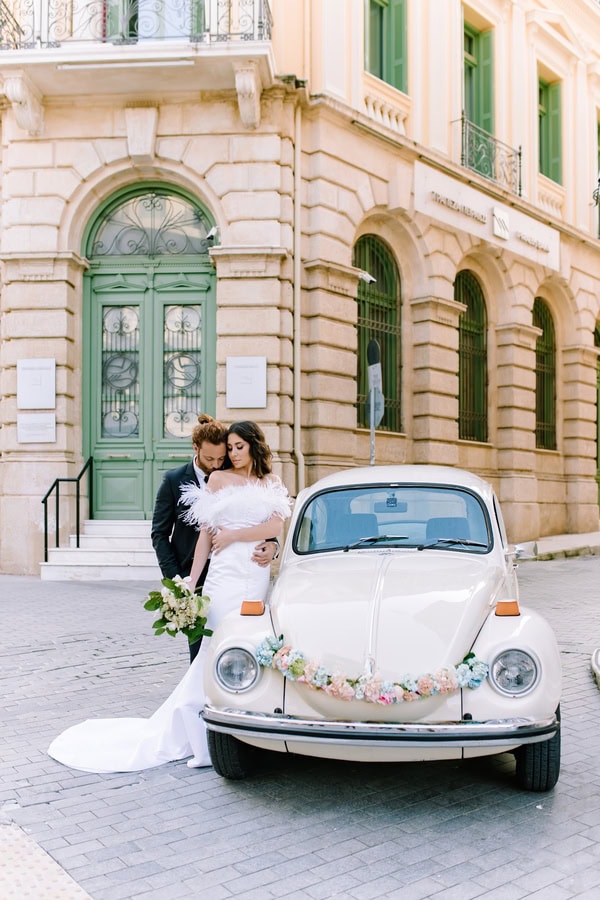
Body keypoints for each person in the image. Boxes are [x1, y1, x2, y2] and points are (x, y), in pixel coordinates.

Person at [47, 421, 292, 774]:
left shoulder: (272, 483)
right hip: (222, 578)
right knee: (210, 652)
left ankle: (247, 729)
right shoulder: (217, 480)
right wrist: (189, 583)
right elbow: (206, 536)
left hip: (254, 577)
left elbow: (273, 528)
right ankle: (200, 739)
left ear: (254, 446)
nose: (233, 455)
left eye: (239, 447)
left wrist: (242, 537)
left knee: (250, 645)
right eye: (230, 448)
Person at [151, 413, 278, 662]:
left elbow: (268, 523)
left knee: (248, 637)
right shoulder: (174, 480)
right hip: (200, 573)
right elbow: (161, 534)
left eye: (225, 454)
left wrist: (272, 545)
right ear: (196, 448)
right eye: (212, 458)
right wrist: (180, 580)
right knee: (204, 647)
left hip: (250, 571)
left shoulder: (261, 480)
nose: (221, 462)